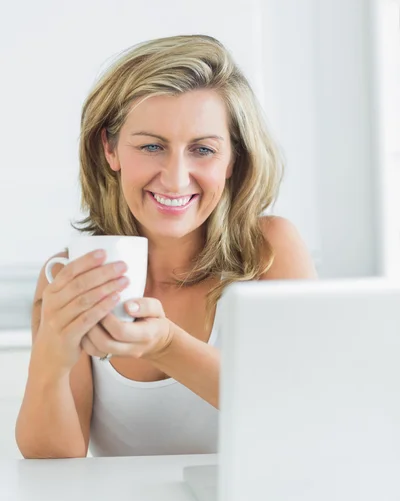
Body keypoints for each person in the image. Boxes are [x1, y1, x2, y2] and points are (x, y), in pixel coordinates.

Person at [15, 34, 317, 459]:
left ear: (233, 159)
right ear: (110, 148)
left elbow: (298, 416)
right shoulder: (69, 275)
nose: (175, 179)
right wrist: (51, 352)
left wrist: (165, 345)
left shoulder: (269, 251)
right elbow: (53, 461)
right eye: (152, 146)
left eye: (203, 149)